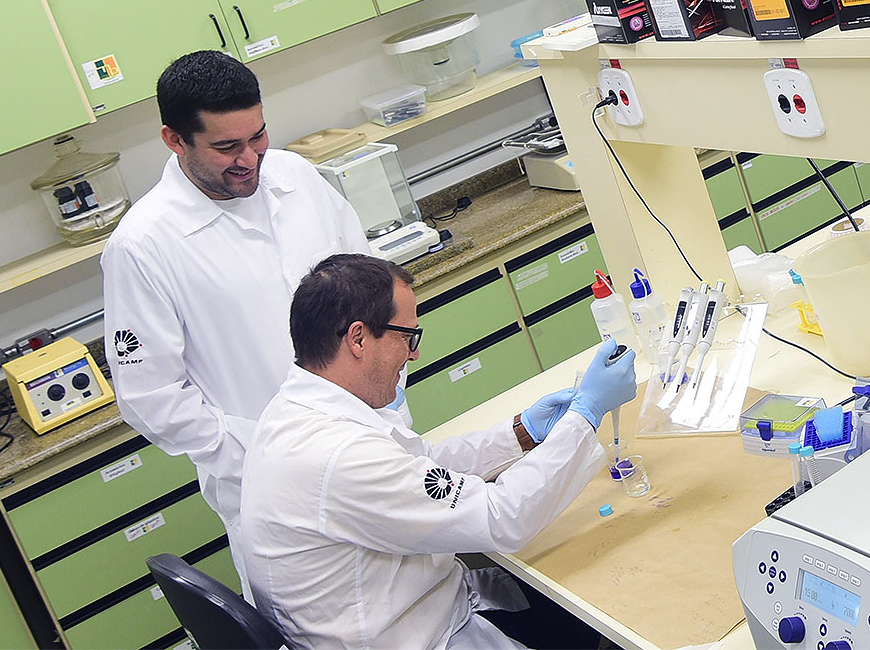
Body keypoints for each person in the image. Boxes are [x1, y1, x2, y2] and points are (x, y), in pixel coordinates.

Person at [240, 253, 637, 649]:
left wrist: (523, 431)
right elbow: (502, 518)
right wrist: (587, 414)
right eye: (406, 337)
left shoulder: (298, 409)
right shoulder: (336, 454)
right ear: (358, 338)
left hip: (417, 609)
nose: (413, 354)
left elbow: (423, 463)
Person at [100, 51, 372, 586]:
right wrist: (269, 454)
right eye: (226, 147)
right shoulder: (143, 245)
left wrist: (391, 382)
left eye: (259, 136)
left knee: (436, 606)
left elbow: (369, 289)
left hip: (376, 447)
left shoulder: (294, 175)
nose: (250, 158)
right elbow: (150, 397)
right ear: (174, 140)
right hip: (273, 493)